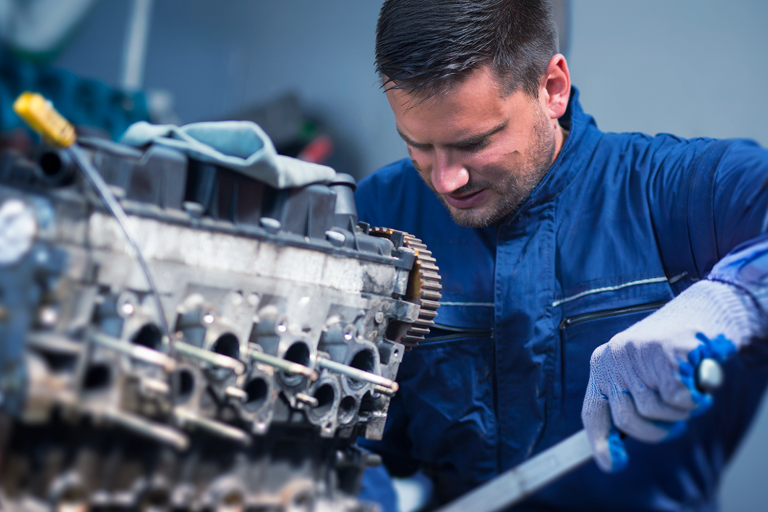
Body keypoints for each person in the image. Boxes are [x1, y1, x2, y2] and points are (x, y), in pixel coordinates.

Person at [354, 1, 768, 510]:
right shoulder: (380, 216)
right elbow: (340, 435)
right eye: (417, 145)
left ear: (553, 88)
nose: (446, 179)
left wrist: (729, 299)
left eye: (474, 143)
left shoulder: (677, 193)